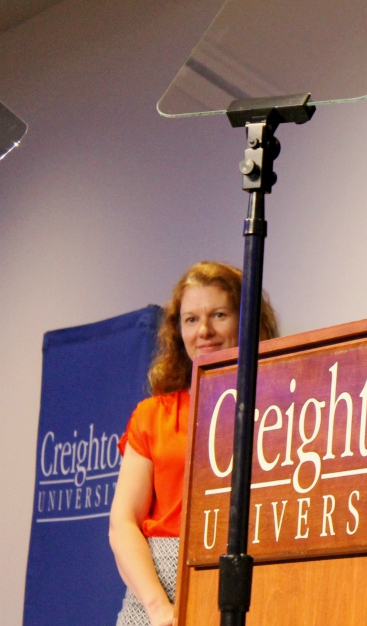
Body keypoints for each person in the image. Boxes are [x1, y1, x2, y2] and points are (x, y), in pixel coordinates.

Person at [108, 262, 278, 626]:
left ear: (248, 321)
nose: (204, 331)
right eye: (190, 319)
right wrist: (158, 608)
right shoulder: (153, 415)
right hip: (156, 595)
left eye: (219, 315)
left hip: (248, 583)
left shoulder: (281, 410)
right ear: (176, 330)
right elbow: (123, 522)